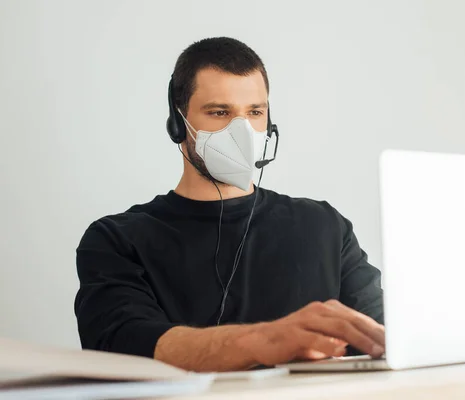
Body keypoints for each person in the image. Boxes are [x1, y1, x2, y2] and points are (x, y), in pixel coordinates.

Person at [74, 37, 384, 372]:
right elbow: (123, 344)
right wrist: (268, 341)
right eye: (220, 112)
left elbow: (383, 337)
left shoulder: (325, 226)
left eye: (255, 112)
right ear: (178, 123)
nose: (243, 131)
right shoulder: (116, 240)